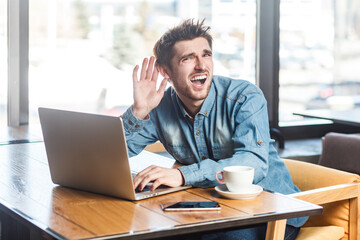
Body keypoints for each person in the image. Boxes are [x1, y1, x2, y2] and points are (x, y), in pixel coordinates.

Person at [121, 19, 305, 239]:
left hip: (272, 211)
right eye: (187, 58)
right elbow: (116, 153)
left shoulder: (245, 97)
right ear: (165, 71)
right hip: (213, 209)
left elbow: (253, 163)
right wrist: (139, 111)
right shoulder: (160, 107)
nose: (201, 65)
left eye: (206, 55)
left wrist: (182, 174)